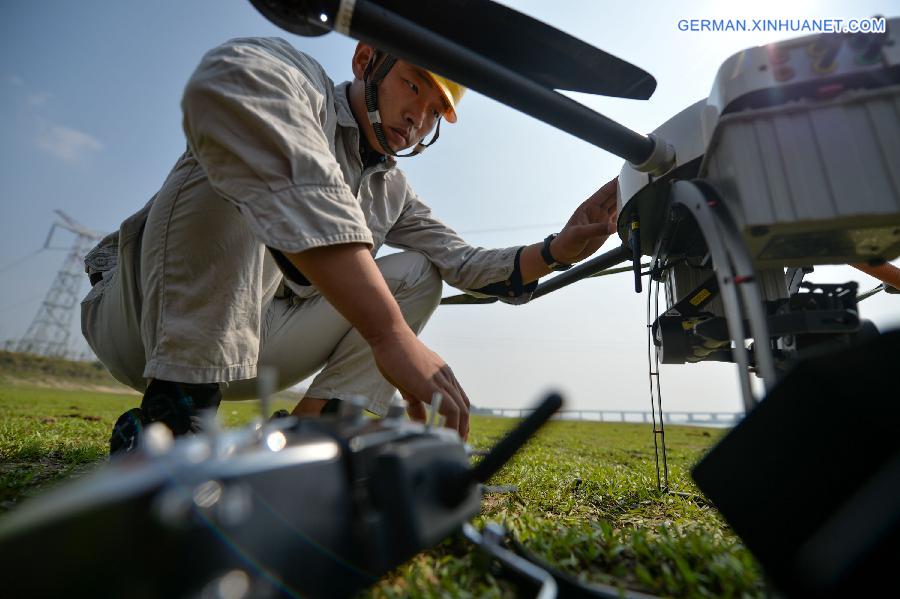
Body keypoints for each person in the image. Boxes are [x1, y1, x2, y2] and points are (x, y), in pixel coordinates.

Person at [80, 37, 619, 455]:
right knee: (245, 153)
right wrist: (388, 334)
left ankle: (307, 441)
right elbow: (230, 80)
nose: (418, 117)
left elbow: (463, 262)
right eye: (413, 86)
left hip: (258, 346)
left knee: (418, 273)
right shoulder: (304, 87)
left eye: (435, 111)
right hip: (142, 323)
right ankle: (174, 424)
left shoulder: (393, 190)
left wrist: (556, 250)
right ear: (366, 60)